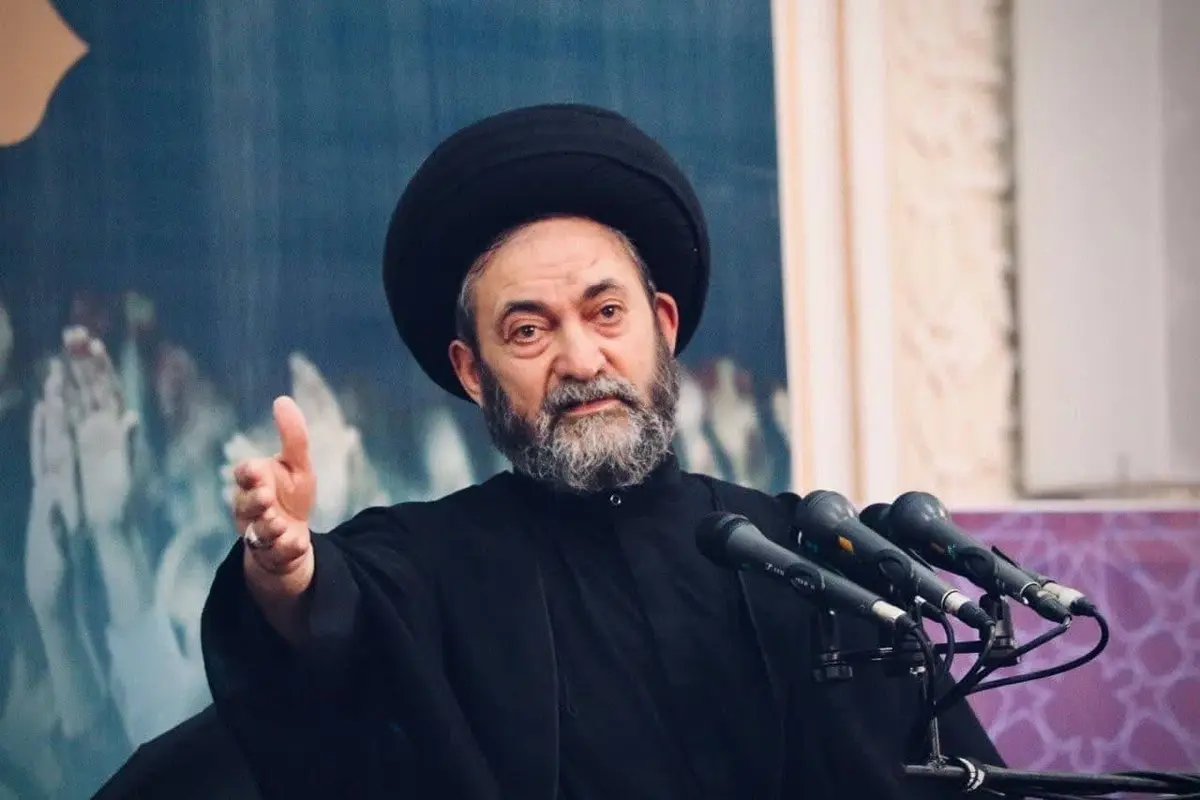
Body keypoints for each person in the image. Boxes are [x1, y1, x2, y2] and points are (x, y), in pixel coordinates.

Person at [198, 103, 1003, 799]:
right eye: (529, 330)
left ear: (664, 326)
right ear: (473, 372)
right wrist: (284, 571)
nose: (581, 361)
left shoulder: (800, 558)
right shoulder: (425, 562)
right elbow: (333, 622)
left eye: (606, 313)